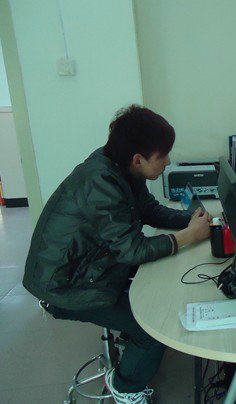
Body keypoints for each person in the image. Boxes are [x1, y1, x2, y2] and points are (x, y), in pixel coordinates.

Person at [23, 105, 212, 404]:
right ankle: (125, 387)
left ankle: (131, 346)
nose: (168, 162)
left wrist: (192, 220)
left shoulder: (121, 167)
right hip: (66, 286)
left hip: (93, 265)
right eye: (163, 156)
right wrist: (189, 236)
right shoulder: (100, 182)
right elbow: (133, 250)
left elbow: (149, 210)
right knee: (152, 328)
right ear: (138, 159)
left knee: (164, 284)